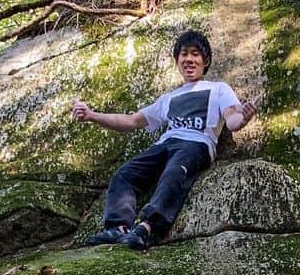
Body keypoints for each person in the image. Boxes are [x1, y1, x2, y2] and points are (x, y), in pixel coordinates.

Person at [70, 29, 258, 251]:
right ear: (177, 61)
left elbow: (232, 119)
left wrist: (244, 116)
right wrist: (93, 115)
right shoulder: (168, 99)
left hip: (196, 144)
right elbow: (131, 121)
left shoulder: (218, 89)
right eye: (184, 54)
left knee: (173, 173)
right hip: (165, 144)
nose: (189, 59)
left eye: (196, 54)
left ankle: (148, 227)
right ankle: (118, 227)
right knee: (125, 174)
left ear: (205, 61)